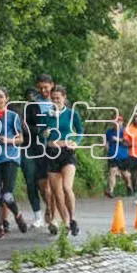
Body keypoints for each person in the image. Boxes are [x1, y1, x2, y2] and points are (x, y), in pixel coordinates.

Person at [0, 87, 26, 239]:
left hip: (10, 158)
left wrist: (9, 140)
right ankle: (0, 225)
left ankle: (18, 214)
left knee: (7, 194)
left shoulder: (13, 116)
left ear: (6, 99)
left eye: (1, 96)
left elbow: (21, 139)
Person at [44, 85, 83, 236]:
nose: (55, 100)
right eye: (53, 98)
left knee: (67, 187)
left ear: (64, 98)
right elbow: (41, 133)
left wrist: (76, 142)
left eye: (58, 98)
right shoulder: (47, 114)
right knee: (56, 192)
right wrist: (44, 133)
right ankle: (65, 222)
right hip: (52, 152)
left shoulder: (72, 114)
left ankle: (73, 219)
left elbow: (80, 131)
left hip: (67, 152)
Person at [22, 75, 55, 231]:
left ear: (52, 85)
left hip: (51, 148)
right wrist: (40, 131)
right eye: (40, 88)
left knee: (47, 185)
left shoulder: (58, 102)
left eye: (45, 87)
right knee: (30, 180)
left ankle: (51, 212)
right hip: (31, 147)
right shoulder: (31, 106)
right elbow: (24, 125)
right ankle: (37, 216)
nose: (43, 90)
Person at [105, 115, 132, 199]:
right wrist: (106, 148)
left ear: (122, 122)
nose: (117, 123)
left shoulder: (125, 131)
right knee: (112, 172)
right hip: (113, 156)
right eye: (115, 121)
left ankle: (129, 187)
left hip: (124, 156)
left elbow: (129, 143)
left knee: (126, 175)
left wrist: (118, 139)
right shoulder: (109, 132)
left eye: (118, 121)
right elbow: (106, 142)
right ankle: (111, 190)